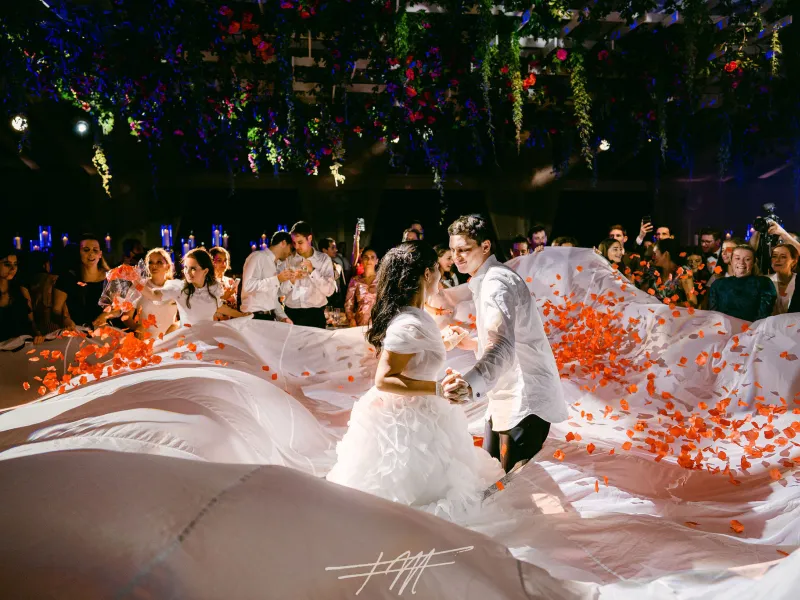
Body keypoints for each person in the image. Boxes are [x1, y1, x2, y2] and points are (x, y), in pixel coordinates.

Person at [326, 242, 503, 521]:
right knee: (415, 493)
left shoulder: (418, 316)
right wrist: (437, 388)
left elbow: (413, 358)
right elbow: (384, 379)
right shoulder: (408, 323)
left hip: (427, 411)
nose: (441, 275)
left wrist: (444, 343)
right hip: (407, 422)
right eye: (437, 269)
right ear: (426, 274)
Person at [441, 214, 568, 473]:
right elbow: (508, 337)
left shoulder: (496, 283)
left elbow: (502, 346)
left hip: (524, 398)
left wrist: (469, 384)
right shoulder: (488, 279)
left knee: (511, 489)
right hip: (505, 395)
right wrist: (471, 341)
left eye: (464, 249)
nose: (457, 257)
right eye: (453, 250)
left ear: (485, 246)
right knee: (493, 478)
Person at [137, 248, 248, 326]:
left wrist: (242, 315)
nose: (187, 272)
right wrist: (135, 281)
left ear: (205, 271)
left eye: (193, 268)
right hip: (187, 339)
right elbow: (154, 295)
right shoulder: (179, 288)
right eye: (186, 268)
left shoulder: (213, 288)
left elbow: (218, 306)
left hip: (210, 336)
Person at [278, 221, 336, 328]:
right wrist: (292, 279)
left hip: (315, 315)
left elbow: (329, 291)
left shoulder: (323, 259)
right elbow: (280, 291)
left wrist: (313, 271)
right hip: (292, 314)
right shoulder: (287, 260)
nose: (296, 247)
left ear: (309, 238)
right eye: (294, 243)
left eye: (300, 242)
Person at [53, 234, 112, 329]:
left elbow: (119, 307)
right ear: (79, 252)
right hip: (76, 331)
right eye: (86, 250)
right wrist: (64, 320)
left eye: (95, 250)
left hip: (106, 331)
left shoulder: (110, 277)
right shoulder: (67, 278)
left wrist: (105, 316)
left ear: (100, 254)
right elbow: (56, 309)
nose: (91, 254)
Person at [708, 246, 776, 322]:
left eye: (747, 259)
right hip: (723, 330)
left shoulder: (764, 283)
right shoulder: (718, 284)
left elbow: (763, 315)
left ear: (753, 262)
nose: (741, 263)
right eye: (737, 258)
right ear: (731, 261)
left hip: (753, 331)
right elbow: (713, 314)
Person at [240, 231, 293, 322]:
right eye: (291, 248)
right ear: (283, 243)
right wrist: (277, 279)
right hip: (254, 316)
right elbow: (248, 286)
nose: (291, 253)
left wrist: (282, 317)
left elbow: (271, 297)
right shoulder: (258, 257)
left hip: (269, 317)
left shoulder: (275, 264)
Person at [131, 248, 178, 339]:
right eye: (150, 262)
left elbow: (185, 317)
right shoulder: (138, 286)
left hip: (170, 342)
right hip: (145, 342)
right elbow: (127, 317)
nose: (154, 266)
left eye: (159, 262)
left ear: (168, 266)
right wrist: (137, 327)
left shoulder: (175, 288)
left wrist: (175, 327)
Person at [638, 238, 697, 307]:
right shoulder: (653, 271)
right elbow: (641, 294)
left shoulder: (683, 273)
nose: (653, 257)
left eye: (655, 253)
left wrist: (669, 307)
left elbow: (692, 302)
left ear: (665, 254)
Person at [0, 250, 43, 344]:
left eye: (15, 264)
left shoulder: (20, 290)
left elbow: (31, 322)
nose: (12, 268)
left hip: (22, 345)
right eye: (7, 264)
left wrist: (37, 335)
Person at [345, 248, 379, 327]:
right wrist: (351, 319)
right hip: (360, 323)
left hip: (378, 323)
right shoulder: (355, 280)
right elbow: (348, 304)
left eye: (372, 257)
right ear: (362, 260)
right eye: (366, 257)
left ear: (377, 261)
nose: (369, 260)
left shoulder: (383, 280)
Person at [209, 247, 239, 321]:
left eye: (225, 260)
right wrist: (224, 297)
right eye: (219, 260)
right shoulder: (208, 283)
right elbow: (207, 307)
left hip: (232, 322)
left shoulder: (230, 281)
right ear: (211, 262)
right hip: (215, 324)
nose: (224, 263)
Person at [769, 244, 797, 315]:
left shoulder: (797, 280)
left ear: (794, 261)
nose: (777, 260)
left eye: (783, 257)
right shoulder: (765, 280)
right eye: (774, 256)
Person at [319, 238, 347, 309]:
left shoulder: (337, 265)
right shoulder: (317, 267)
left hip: (338, 303)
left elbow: (342, 287)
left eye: (335, 248)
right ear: (324, 250)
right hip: (323, 303)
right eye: (333, 248)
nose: (336, 250)